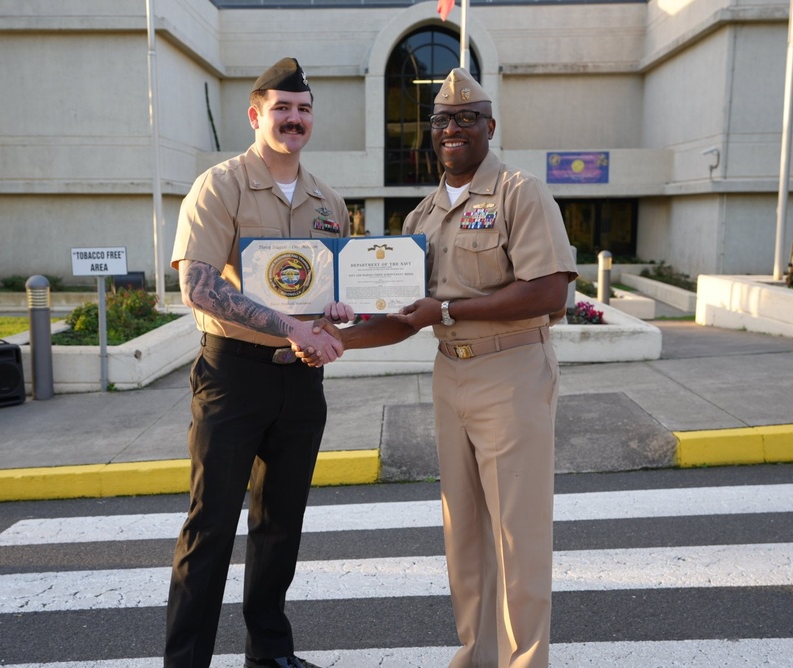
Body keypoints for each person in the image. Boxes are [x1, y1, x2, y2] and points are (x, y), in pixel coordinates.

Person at [300, 68, 577, 668]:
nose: (453, 129)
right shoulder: (420, 219)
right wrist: (339, 338)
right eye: (443, 121)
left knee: (517, 534)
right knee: (465, 533)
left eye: (466, 118)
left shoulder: (519, 193)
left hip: (513, 373)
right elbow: (405, 317)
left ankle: (525, 662)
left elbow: (550, 291)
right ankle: (474, 656)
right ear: (432, 132)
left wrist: (447, 308)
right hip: (451, 376)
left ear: (489, 126)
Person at [165, 57, 351, 668]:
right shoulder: (220, 185)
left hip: (301, 383)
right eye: (282, 108)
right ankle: (186, 661)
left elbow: (327, 293)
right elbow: (199, 286)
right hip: (233, 377)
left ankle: (268, 655)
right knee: (211, 525)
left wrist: (341, 311)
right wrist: (296, 325)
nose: (294, 119)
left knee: (280, 526)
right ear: (256, 114)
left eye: (303, 110)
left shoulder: (329, 201)